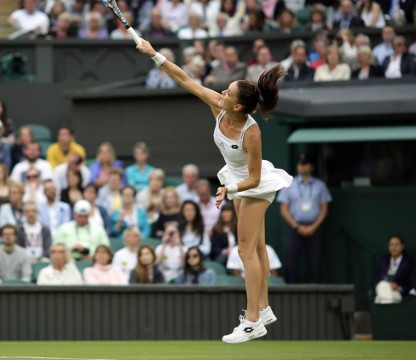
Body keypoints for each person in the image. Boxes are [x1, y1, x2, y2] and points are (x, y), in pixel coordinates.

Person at [135, 37, 292, 344]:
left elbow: (256, 178)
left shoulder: (252, 132)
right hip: (237, 182)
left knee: (245, 250)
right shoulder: (219, 107)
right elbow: (184, 78)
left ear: (238, 105)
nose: (221, 92)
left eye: (228, 91)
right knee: (257, 247)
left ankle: (252, 321)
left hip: (255, 186)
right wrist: (154, 54)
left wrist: (229, 188)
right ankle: (264, 307)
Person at [277, 155, 331, 284]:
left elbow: (324, 208)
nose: (302, 166)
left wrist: (313, 227)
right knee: (291, 261)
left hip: (314, 228)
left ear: (311, 167)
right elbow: (284, 208)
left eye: (306, 163)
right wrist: (296, 226)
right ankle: (292, 293)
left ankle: (315, 292)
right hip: (294, 228)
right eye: (300, 164)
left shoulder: (320, 185)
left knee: (315, 262)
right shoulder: (289, 184)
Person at [374, 235, 414, 304]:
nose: (394, 248)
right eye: (391, 245)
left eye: (396, 245)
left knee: (378, 299)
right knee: (383, 285)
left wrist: (399, 288)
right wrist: (387, 284)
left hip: (397, 293)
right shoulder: (383, 261)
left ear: (402, 247)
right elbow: (377, 279)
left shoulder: (408, 263)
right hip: (382, 287)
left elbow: (411, 285)